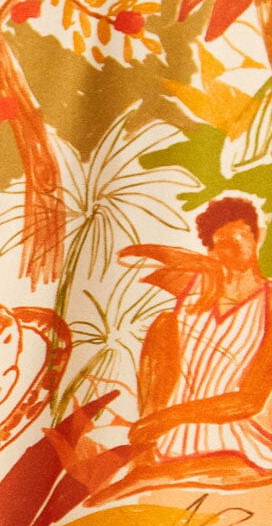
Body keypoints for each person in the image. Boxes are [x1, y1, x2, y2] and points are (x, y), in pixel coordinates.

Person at [94, 196, 272, 498]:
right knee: (163, 324)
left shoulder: (268, 302)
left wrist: (167, 418)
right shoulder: (195, 291)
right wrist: (152, 427)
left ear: (258, 236)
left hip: (236, 434)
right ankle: (146, 464)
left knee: (247, 463)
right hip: (169, 432)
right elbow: (159, 374)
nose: (237, 245)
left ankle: (150, 474)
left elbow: (250, 400)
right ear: (213, 249)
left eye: (243, 234)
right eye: (224, 242)